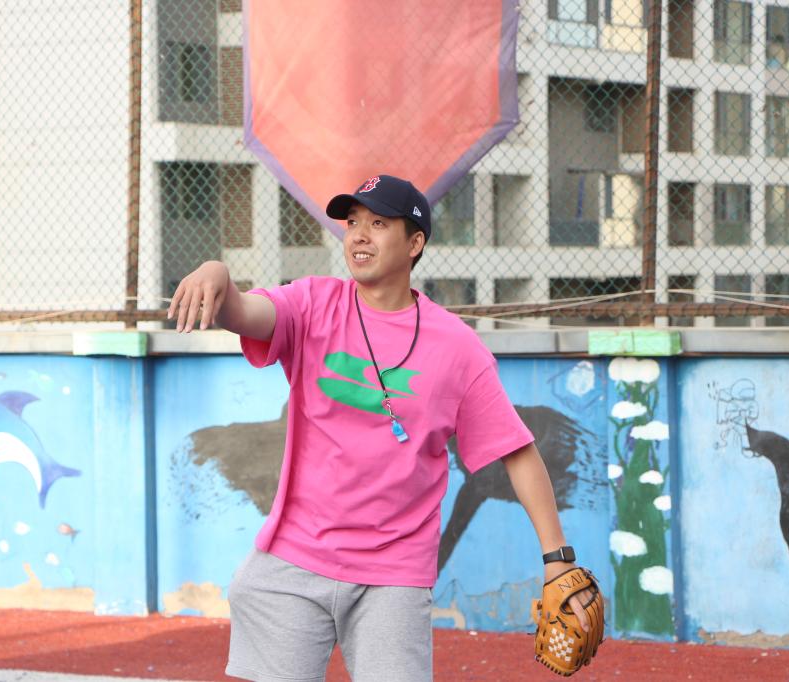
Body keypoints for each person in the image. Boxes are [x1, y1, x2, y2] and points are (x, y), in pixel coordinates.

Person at [168, 174, 597, 681]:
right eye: (352, 222)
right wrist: (217, 273)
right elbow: (244, 312)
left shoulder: (457, 348)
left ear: (414, 243)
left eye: (378, 223)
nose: (358, 235)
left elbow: (516, 450)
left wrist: (557, 557)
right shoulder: (312, 304)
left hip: (393, 575)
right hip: (293, 560)